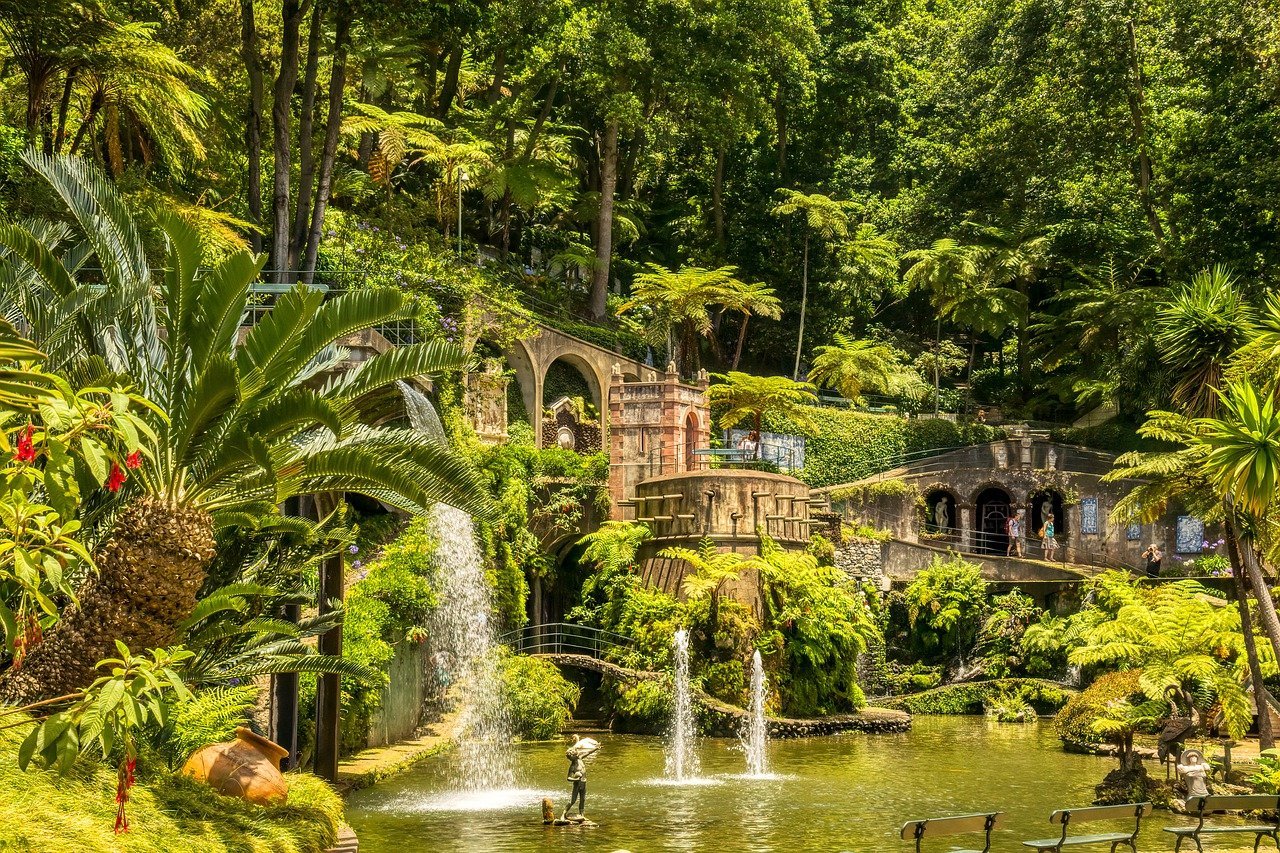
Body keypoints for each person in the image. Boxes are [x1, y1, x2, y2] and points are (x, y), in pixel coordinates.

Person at [562, 735, 599, 821]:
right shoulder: (572, 766)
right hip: (577, 784)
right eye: (570, 758)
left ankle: (582, 814)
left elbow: (588, 752)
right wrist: (575, 779)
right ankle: (563, 814)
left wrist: (596, 748)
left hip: (584, 782)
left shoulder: (580, 758)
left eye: (572, 756)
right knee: (573, 800)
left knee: (583, 799)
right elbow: (568, 778)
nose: (571, 758)